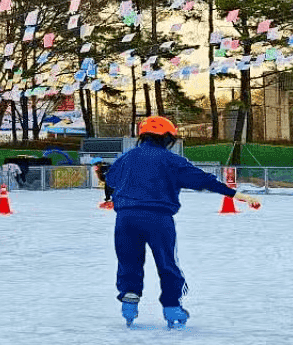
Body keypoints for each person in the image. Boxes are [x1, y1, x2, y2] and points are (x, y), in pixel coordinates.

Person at [106, 116, 261, 328]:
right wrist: (235, 195)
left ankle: (129, 299)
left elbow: (111, 179)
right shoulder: (171, 161)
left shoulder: (126, 157)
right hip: (158, 219)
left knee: (128, 261)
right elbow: (203, 180)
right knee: (167, 262)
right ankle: (172, 307)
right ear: (168, 138)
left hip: (126, 218)